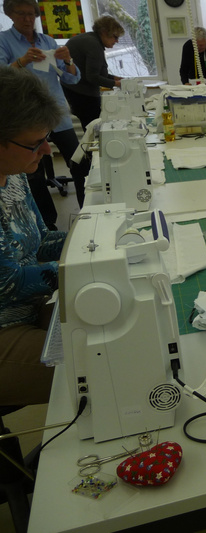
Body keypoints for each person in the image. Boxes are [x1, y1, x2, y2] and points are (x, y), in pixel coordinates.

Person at [0, 67, 67, 406]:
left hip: (29, 307)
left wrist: (97, 241)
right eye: (34, 143)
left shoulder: (13, 174)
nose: (47, 150)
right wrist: (80, 266)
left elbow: (40, 242)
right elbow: (7, 282)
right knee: (105, 367)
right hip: (5, 326)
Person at [0, 0, 88, 223]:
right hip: (26, 121)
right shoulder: (4, 41)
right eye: (22, 14)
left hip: (57, 115)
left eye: (32, 14)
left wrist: (68, 59)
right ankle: (47, 225)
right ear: (9, 14)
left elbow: (72, 78)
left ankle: (88, 211)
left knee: (80, 164)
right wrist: (23, 61)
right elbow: (2, 78)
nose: (28, 19)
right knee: (33, 177)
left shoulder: (47, 41)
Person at [61, 15, 125, 130]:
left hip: (75, 89)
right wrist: (116, 84)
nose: (117, 41)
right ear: (104, 32)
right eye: (115, 37)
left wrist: (115, 78)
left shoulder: (91, 40)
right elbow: (92, 77)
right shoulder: (93, 45)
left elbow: (95, 72)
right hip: (81, 93)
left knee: (93, 126)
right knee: (93, 128)